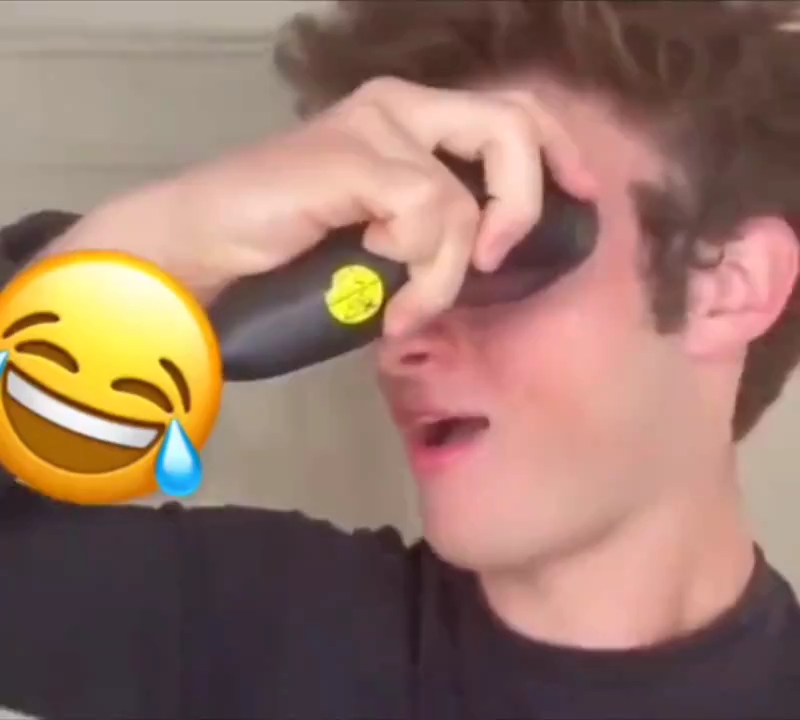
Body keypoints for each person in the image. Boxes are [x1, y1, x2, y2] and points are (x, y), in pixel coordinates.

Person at [2, 1, 800, 718]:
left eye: (499, 251)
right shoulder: (245, 630)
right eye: (405, 272)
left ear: (727, 288)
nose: (399, 338)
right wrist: (155, 246)